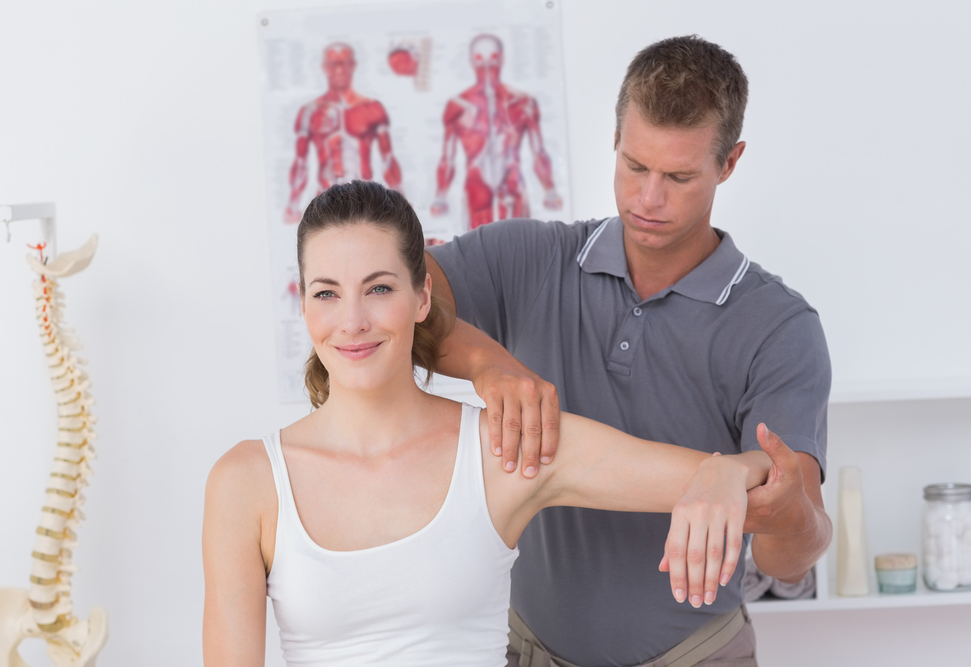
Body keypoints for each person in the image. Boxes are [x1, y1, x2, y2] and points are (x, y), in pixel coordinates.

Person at [202, 180, 782, 667]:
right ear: (303, 306)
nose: (352, 321)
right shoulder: (247, 483)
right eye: (326, 293)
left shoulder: (505, 449)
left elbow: (760, 484)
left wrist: (731, 469)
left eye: (379, 288)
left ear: (422, 298)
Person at [426, 35, 834, 665]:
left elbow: (795, 550)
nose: (648, 199)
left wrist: (766, 497)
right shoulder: (532, 259)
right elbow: (396, 296)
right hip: (525, 649)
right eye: (634, 165)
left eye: (678, 176)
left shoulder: (780, 327)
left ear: (729, 163)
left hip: (697, 654)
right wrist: (490, 365)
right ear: (615, 139)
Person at [429, 34, 562, 229]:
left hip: (512, 188)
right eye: (480, 59)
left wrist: (549, 190)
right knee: (475, 253)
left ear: (502, 59)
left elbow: (538, 151)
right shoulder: (457, 106)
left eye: (493, 58)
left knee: (520, 251)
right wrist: (440, 196)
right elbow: (447, 157)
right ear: (472, 61)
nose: (488, 66)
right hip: (476, 191)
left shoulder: (523, 103)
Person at [283, 42, 403, 224]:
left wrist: (401, 202)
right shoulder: (309, 112)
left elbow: (388, 159)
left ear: (353, 66)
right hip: (324, 209)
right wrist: (292, 204)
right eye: (333, 64)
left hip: (368, 208)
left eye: (344, 63)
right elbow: (300, 163)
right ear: (324, 67)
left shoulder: (372, 109)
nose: (339, 70)